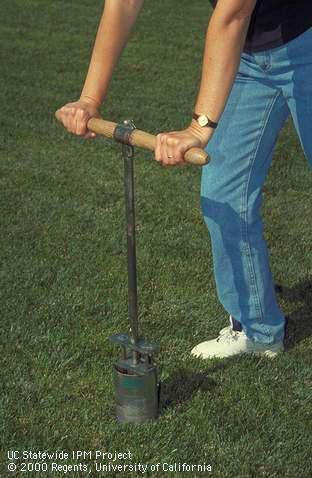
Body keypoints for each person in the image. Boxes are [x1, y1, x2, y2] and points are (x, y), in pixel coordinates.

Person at [56, 0, 312, 359]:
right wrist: (89, 99)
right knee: (223, 192)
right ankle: (257, 329)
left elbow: (232, 15)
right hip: (249, 58)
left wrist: (198, 128)